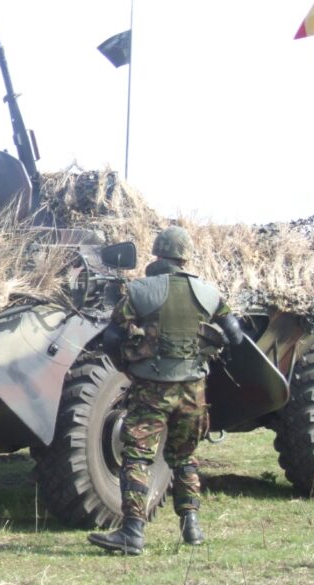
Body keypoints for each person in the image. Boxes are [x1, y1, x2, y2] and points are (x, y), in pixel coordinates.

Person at [89, 225, 244, 556]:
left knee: (137, 455)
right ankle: (192, 527)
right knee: (184, 455)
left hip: (151, 388)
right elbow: (236, 336)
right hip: (193, 390)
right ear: (185, 256)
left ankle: (132, 532)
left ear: (157, 254)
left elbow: (112, 337)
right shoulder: (208, 293)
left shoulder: (141, 291)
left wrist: (126, 366)